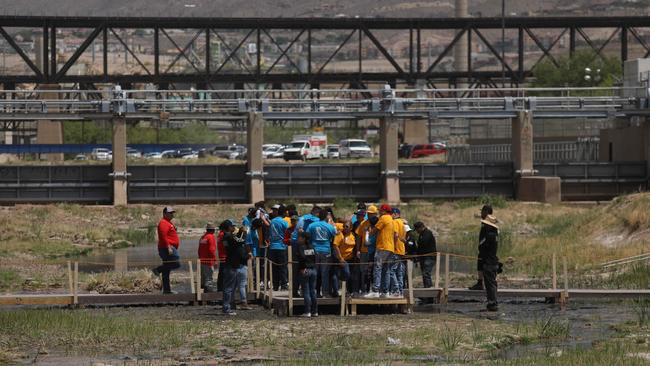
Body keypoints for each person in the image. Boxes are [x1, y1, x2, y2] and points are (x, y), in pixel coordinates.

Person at [365, 204, 396, 298]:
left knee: (377, 268)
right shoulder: (391, 219)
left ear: (384, 211)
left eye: (380, 210)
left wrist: (367, 231)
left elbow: (374, 231)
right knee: (386, 269)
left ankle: (375, 290)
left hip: (382, 247)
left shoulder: (383, 218)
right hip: (390, 248)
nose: (379, 212)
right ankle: (385, 292)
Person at [221, 220, 251, 315]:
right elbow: (240, 241)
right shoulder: (228, 236)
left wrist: (240, 232)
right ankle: (226, 308)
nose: (234, 227)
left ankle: (228, 306)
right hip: (231, 264)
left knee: (230, 287)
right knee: (229, 288)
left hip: (230, 263)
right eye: (232, 226)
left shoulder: (226, 237)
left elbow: (236, 242)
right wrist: (244, 232)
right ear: (228, 227)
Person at [307, 209, 337, 298]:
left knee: (315, 272)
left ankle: (315, 292)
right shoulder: (329, 226)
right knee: (325, 273)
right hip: (326, 251)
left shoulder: (311, 225)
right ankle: (325, 293)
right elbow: (334, 234)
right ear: (325, 217)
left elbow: (308, 236)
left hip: (314, 251)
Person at [153, 207, 181, 294]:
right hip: (166, 248)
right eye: (170, 213)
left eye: (172, 213)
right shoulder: (163, 222)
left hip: (168, 247)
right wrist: (168, 246)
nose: (172, 214)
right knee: (176, 263)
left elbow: (168, 234)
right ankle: (158, 269)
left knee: (166, 270)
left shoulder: (168, 223)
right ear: (165, 214)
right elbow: (163, 236)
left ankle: (167, 290)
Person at [478, 210, 500, 312]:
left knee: (490, 284)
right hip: (493, 262)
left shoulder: (489, 236)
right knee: (493, 283)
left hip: (489, 263)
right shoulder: (495, 235)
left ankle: (492, 303)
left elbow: (482, 247)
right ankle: (493, 301)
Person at [355, 205, 378, 294]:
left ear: (375, 214)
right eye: (368, 213)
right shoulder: (363, 223)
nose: (369, 215)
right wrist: (357, 250)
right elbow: (358, 237)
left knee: (374, 271)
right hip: (364, 251)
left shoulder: (379, 223)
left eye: (371, 214)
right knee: (363, 271)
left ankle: (374, 290)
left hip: (374, 251)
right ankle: (364, 290)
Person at [469, 205, 493, 291]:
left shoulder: (489, 223)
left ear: (486, 212)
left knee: (486, 267)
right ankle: (480, 283)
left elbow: (487, 238)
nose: (481, 213)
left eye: (482, 211)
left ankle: (488, 285)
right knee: (480, 265)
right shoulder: (485, 221)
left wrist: (483, 246)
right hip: (483, 250)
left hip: (486, 251)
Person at [296, 232, 318, 317]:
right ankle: (315, 311)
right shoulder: (312, 247)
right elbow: (315, 257)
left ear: (304, 239)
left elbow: (302, 258)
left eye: (300, 238)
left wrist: (302, 268)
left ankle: (307, 311)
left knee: (306, 291)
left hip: (305, 270)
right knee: (313, 291)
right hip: (313, 270)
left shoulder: (301, 247)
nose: (298, 239)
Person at [332, 221, 357, 295]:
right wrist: (340, 258)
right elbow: (335, 246)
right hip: (341, 259)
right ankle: (338, 290)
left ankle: (348, 291)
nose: (344, 228)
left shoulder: (353, 235)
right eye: (344, 226)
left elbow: (354, 247)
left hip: (351, 259)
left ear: (351, 228)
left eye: (347, 226)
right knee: (345, 273)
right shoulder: (339, 234)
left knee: (350, 276)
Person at [269, 211, 290, 291]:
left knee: (274, 268)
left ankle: (275, 286)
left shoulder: (272, 221)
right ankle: (284, 285)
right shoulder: (284, 222)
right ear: (284, 213)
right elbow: (287, 233)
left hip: (272, 247)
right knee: (283, 267)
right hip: (281, 246)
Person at [392, 208, 407, 297]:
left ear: (395, 214)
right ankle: (400, 290)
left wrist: (392, 246)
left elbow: (396, 235)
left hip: (396, 249)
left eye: (391, 214)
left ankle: (396, 290)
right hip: (402, 249)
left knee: (391, 271)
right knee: (399, 272)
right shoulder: (402, 222)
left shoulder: (395, 222)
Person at [198, 223, 217, 292]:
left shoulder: (203, 237)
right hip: (209, 261)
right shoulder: (211, 237)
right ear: (213, 230)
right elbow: (212, 250)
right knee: (209, 278)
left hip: (202, 260)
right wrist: (214, 260)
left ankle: (203, 292)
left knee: (203, 278)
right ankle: (208, 294)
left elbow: (199, 250)